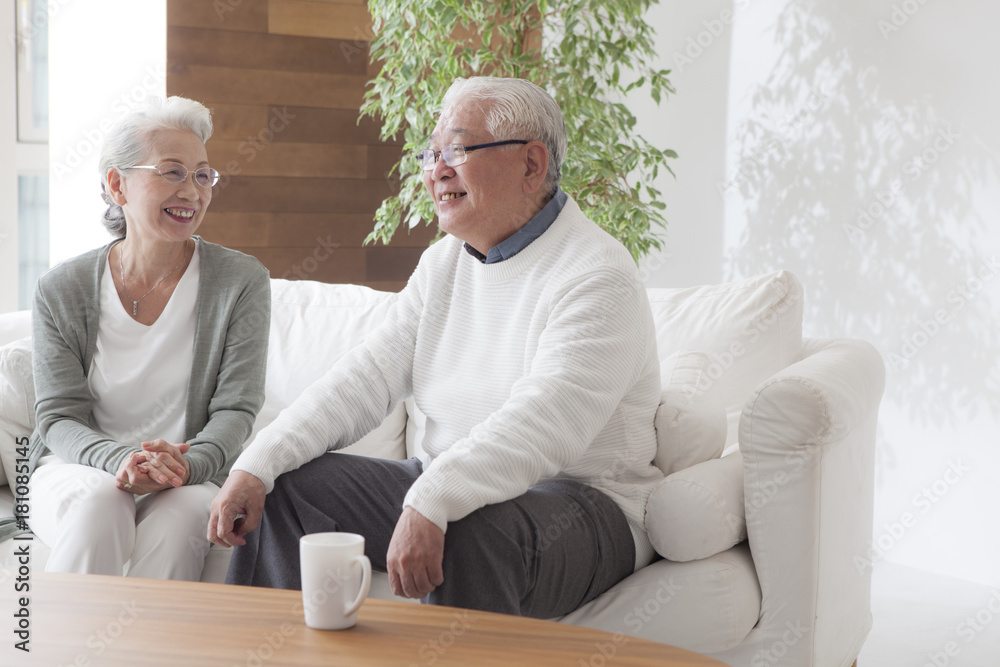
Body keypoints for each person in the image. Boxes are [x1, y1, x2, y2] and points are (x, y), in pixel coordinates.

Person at [210, 77, 663, 617]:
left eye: (458, 150)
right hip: (447, 482)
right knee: (290, 486)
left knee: (467, 525)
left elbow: (547, 420)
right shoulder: (444, 263)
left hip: (581, 506)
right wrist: (256, 465)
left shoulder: (597, 274)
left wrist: (433, 500)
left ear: (531, 165)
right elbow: (365, 377)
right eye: (432, 153)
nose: (436, 170)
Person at [25, 96, 270, 581]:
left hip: (190, 474)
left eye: (203, 175)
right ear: (118, 184)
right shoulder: (62, 288)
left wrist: (184, 467)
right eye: (173, 172)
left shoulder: (241, 280)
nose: (193, 192)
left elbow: (236, 409)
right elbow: (58, 415)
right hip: (81, 467)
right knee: (101, 504)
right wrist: (121, 461)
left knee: (180, 520)